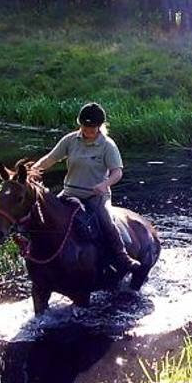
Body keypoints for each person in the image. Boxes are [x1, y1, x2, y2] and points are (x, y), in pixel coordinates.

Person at [28, 102, 141, 271]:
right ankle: (33, 253)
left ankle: (122, 256)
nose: (87, 131)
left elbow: (117, 172)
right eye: (84, 126)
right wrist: (31, 172)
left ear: (99, 126)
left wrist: (104, 184)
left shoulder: (107, 145)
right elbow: (50, 159)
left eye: (92, 128)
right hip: (68, 193)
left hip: (95, 196)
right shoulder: (70, 140)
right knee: (44, 216)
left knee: (106, 221)